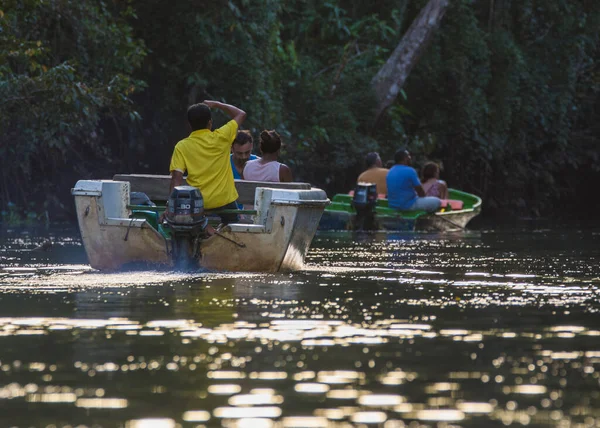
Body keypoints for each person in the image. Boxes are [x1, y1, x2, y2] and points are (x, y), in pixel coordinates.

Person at [168, 100, 246, 226]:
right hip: (224, 200)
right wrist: (217, 104)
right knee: (234, 226)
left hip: (198, 203)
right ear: (210, 123)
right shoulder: (222, 137)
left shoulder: (182, 146)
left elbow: (176, 179)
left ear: (189, 125)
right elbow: (241, 114)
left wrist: (171, 206)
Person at [386, 148, 441, 212]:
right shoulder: (410, 171)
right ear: (405, 158)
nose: (410, 158)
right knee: (437, 201)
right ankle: (425, 219)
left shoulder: (390, 171)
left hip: (393, 205)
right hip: (407, 206)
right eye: (409, 156)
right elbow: (421, 193)